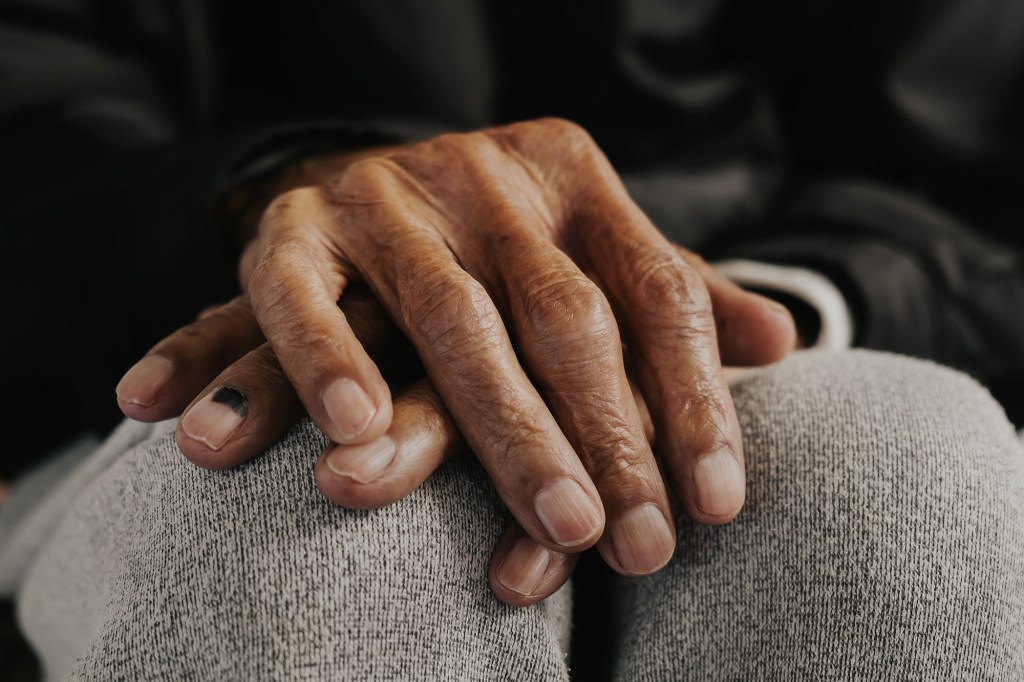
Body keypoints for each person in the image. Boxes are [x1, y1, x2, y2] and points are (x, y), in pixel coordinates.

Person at [1, 0, 1023, 679]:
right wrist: (274, 196)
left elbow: (968, 140)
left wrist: (679, 314)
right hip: (178, 288)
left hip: (754, 275)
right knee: (282, 536)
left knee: (904, 493)